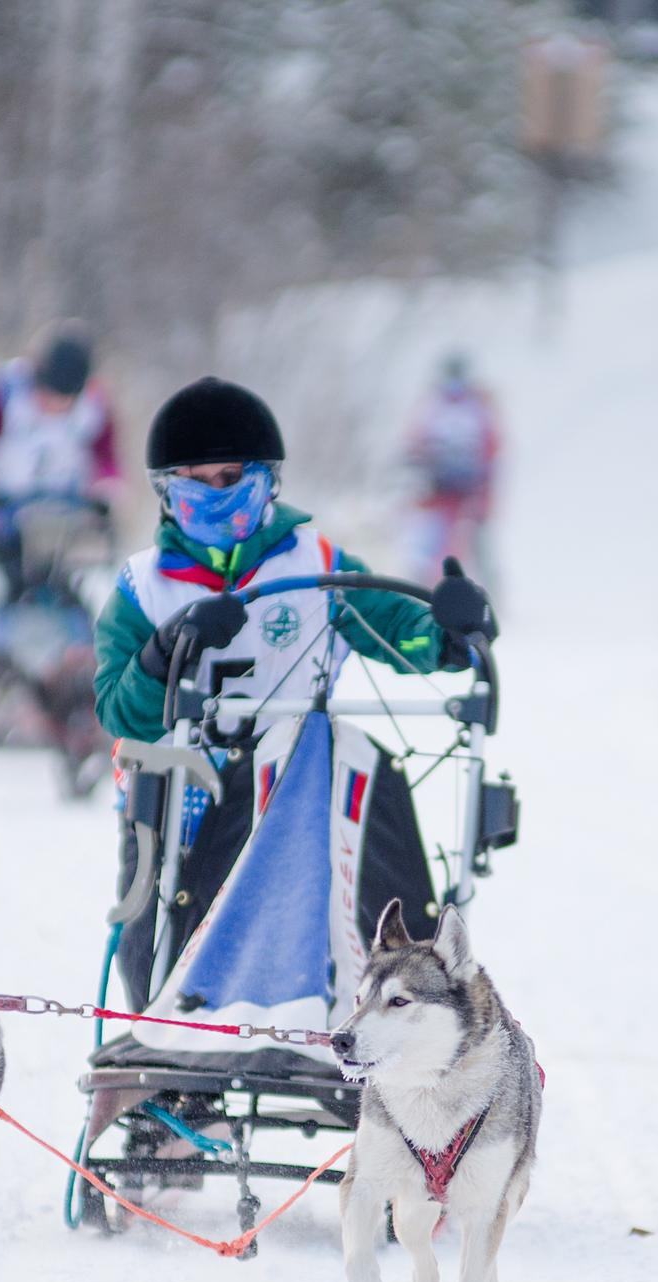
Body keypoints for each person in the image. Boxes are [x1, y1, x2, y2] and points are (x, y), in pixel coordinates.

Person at [93, 376, 497, 1006]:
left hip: (299, 789)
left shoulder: (316, 564)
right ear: (167, 496)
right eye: (196, 487)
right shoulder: (144, 588)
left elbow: (397, 629)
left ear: (268, 484)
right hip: (181, 795)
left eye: (235, 483)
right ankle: (170, 1047)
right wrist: (165, 649)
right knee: (147, 941)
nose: (218, 501)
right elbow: (120, 710)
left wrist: (448, 632)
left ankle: (386, 1016)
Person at [0, 326, 124, 597]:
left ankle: (70, 615)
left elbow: (107, 456)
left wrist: (107, 490)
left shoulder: (94, 406)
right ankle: (15, 606)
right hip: (9, 504)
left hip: (68, 507)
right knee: (12, 560)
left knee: (69, 563)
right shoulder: (7, 393)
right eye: (49, 396)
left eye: (65, 400)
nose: (55, 406)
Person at [401, 352, 501, 586]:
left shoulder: (479, 406)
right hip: (438, 487)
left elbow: (492, 447)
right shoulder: (432, 405)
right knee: (430, 542)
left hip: (470, 487)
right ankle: (424, 589)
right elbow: (416, 442)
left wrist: (486, 489)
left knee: (475, 543)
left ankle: (489, 591)